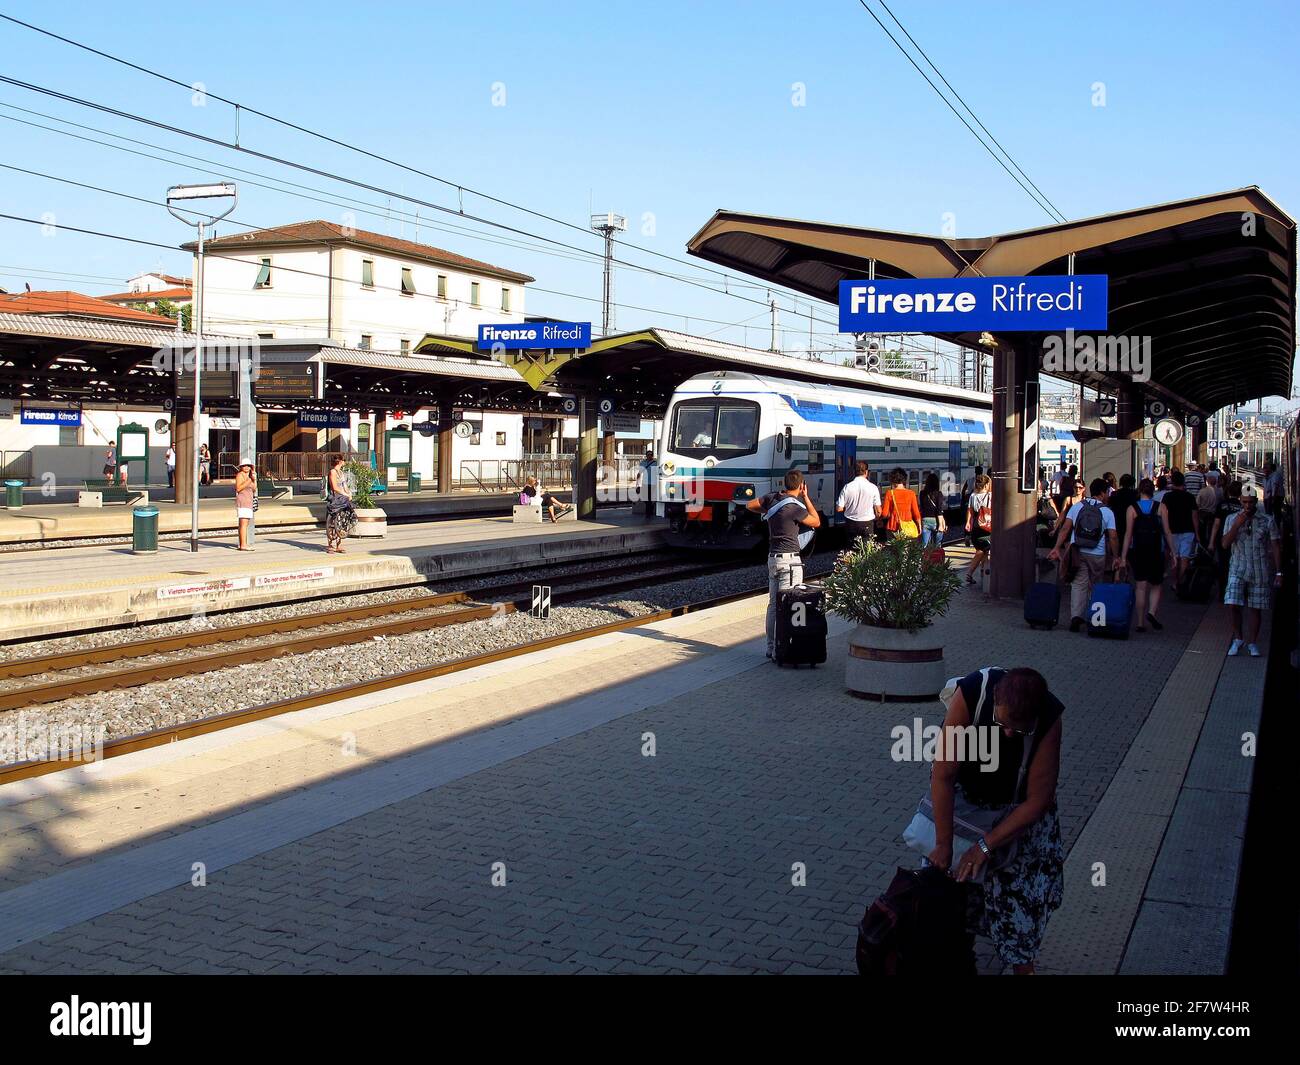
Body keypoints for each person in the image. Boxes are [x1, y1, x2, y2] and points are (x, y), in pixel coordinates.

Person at [928, 667, 1064, 975]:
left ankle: (1022, 967)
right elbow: (943, 774)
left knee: (1020, 904)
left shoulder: (1049, 715)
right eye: (1002, 723)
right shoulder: (973, 692)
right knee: (949, 895)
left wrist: (985, 846)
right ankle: (959, 961)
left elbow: (1039, 800)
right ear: (995, 699)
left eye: (1020, 729)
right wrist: (943, 843)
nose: (1009, 734)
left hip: (1018, 815)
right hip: (969, 804)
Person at [746, 469, 820, 661]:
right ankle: (783, 648)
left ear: (784, 484)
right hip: (790, 562)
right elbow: (816, 521)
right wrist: (806, 498)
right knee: (788, 605)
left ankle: (770, 648)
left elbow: (749, 505)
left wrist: (770, 512)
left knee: (773, 606)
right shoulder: (795, 507)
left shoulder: (772, 499)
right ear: (801, 485)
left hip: (773, 559)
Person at [1048, 477, 1119, 633]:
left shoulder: (1078, 507)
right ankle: (1094, 617)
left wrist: (1057, 547)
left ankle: (1076, 617)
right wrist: (1116, 556)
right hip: (1098, 553)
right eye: (1106, 492)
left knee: (1078, 584)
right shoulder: (1107, 511)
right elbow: (1113, 536)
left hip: (1078, 551)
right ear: (1102, 493)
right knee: (1096, 585)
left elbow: (1066, 529)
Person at [1221, 487, 1282, 658]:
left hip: (1259, 568)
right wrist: (1236, 525)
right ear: (1240, 501)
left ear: (1256, 502)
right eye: (1244, 502)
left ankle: (1252, 642)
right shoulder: (1231, 519)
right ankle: (1238, 638)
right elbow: (1225, 544)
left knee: (1256, 607)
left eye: (1250, 502)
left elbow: (1276, 546)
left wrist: (1279, 572)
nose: (1247, 506)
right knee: (1232, 603)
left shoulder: (1267, 521)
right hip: (1237, 567)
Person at [1119, 478, 1176, 633]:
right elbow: (1167, 531)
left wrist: (1123, 557)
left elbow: (1128, 534)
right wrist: (1173, 553)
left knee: (1140, 586)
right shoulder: (1161, 507)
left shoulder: (1132, 509)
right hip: (1156, 551)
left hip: (1138, 551)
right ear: (1153, 491)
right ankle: (1151, 612)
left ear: (1140, 491)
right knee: (1156, 585)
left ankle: (1139, 622)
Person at [1160, 470, 1199, 586]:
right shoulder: (1190, 497)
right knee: (1185, 557)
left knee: (1174, 556)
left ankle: (1174, 580)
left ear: (1172, 482)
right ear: (1184, 482)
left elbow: (1163, 513)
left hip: (1172, 530)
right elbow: (1195, 516)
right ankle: (1179, 582)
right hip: (1188, 530)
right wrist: (1198, 533)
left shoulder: (1167, 497)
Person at [835, 459, 882, 544]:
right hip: (867, 523)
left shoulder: (847, 487)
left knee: (852, 550)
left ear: (854, 472)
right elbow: (878, 511)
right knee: (867, 550)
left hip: (851, 523)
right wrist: (878, 519)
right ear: (867, 472)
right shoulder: (873, 487)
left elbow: (839, 508)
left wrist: (849, 508)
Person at [963, 472, 993, 585]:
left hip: (976, 526)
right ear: (986, 485)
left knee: (984, 550)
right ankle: (969, 573)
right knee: (981, 550)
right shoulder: (990, 496)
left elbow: (969, 511)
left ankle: (984, 571)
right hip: (986, 527)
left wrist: (967, 524)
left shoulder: (972, 496)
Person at [878, 468, 922, 543]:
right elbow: (916, 513)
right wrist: (919, 525)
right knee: (906, 550)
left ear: (892, 480)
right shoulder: (911, 493)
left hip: (893, 526)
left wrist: (880, 519)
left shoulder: (890, 493)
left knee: (893, 551)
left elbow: (885, 513)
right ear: (904, 479)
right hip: (907, 527)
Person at [324, 454, 355, 553]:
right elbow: (334, 487)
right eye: (343, 460)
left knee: (341, 521)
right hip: (335, 498)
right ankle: (330, 545)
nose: (344, 462)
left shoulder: (341, 473)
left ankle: (339, 544)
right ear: (340, 461)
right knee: (332, 521)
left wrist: (349, 493)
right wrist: (345, 493)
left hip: (342, 498)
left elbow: (344, 485)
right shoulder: (332, 472)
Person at [1107, 473, 1139, 557]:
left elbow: (1110, 506)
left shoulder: (1115, 494)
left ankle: (1118, 561)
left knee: (1119, 545)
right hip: (1132, 522)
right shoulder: (1135, 495)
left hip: (1117, 521)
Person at [918, 472, 947, 550]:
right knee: (937, 547)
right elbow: (939, 510)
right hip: (936, 522)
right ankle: (936, 561)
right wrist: (941, 525)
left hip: (925, 521)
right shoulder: (939, 494)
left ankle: (925, 561)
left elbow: (922, 508)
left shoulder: (922, 493)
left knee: (924, 546)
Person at [234, 460, 257, 552]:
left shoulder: (250, 476)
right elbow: (238, 488)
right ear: (241, 467)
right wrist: (249, 480)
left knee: (246, 523)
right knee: (243, 523)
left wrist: (254, 479)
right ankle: (243, 544)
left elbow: (254, 489)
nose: (246, 467)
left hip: (249, 500)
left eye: (248, 466)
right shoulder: (240, 475)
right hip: (243, 500)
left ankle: (243, 543)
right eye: (244, 466)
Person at [1195, 472, 1220, 549]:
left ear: (1207, 482)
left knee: (1201, 532)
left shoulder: (1202, 491)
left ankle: (1202, 547)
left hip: (1202, 514)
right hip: (1214, 514)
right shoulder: (1219, 491)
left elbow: (1197, 503)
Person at [636, 449, 658, 519]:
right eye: (648, 455)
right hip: (645, 483)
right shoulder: (643, 463)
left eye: (650, 455)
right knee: (644, 498)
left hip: (653, 483)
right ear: (646, 456)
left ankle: (648, 513)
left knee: (649, 498)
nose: (649, 456)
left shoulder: (656, 463)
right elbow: (639, 474)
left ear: (652, 456)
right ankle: (650, 508)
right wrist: (637, 485)